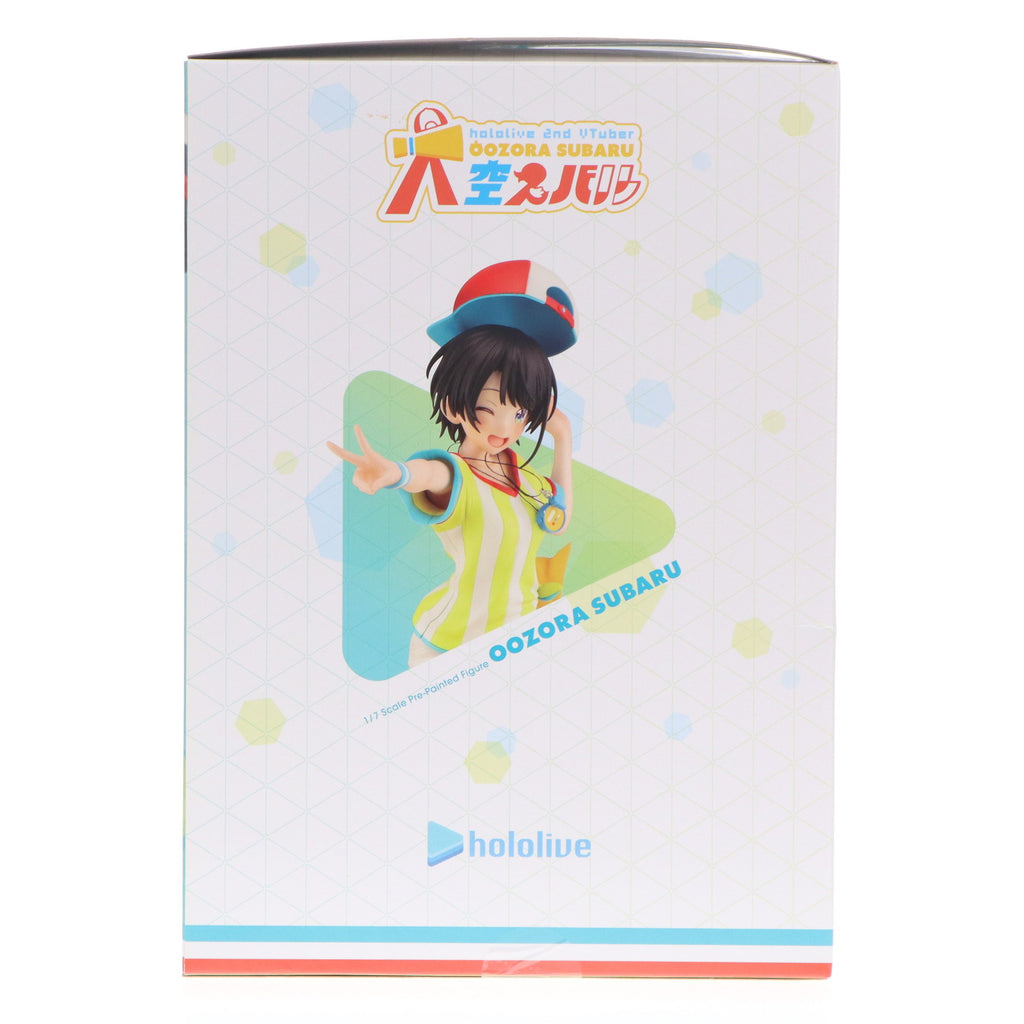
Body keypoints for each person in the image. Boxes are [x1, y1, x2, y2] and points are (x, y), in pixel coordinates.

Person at [329, 260, 576, 666]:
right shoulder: (458, 474)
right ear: (451, 404)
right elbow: (433, 475)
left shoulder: (524, 478)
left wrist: (562, 437)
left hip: (517, 641)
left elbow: (558, 517)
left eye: (519, 412)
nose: (505, 427)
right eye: (487, 407)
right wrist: (397, 474)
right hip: (450, 647)